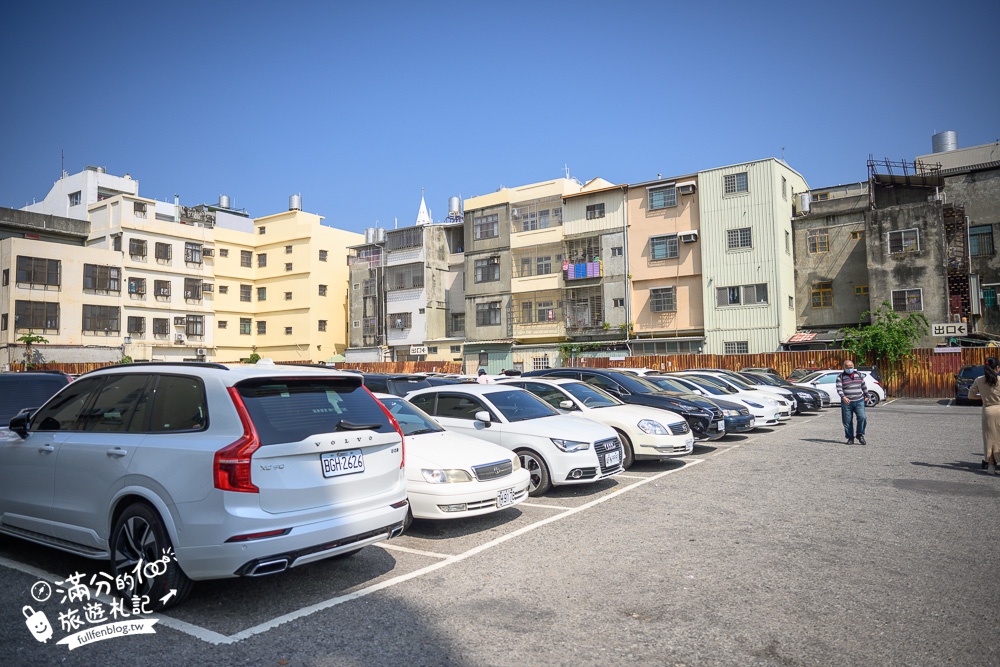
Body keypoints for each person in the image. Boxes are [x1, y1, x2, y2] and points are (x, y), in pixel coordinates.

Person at [968, 357, 1000, 475]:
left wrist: (983, 398)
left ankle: (990, 465)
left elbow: (970, 396)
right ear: (997, 368)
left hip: (988, 410)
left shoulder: (979, 380)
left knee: (989, 438)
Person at [836, 360, 867, 445]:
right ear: (844, 368)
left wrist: (866, 395)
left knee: (862, 417)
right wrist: (843, 397)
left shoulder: (859, 375)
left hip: (859, 400)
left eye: (851, 367)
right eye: (848, 367)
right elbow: (839, 388)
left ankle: (860, 434)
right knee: (847, 421)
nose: (850, 369)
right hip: (847, 402)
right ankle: (850, 437)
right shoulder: (840, 377)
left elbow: (863, 386)